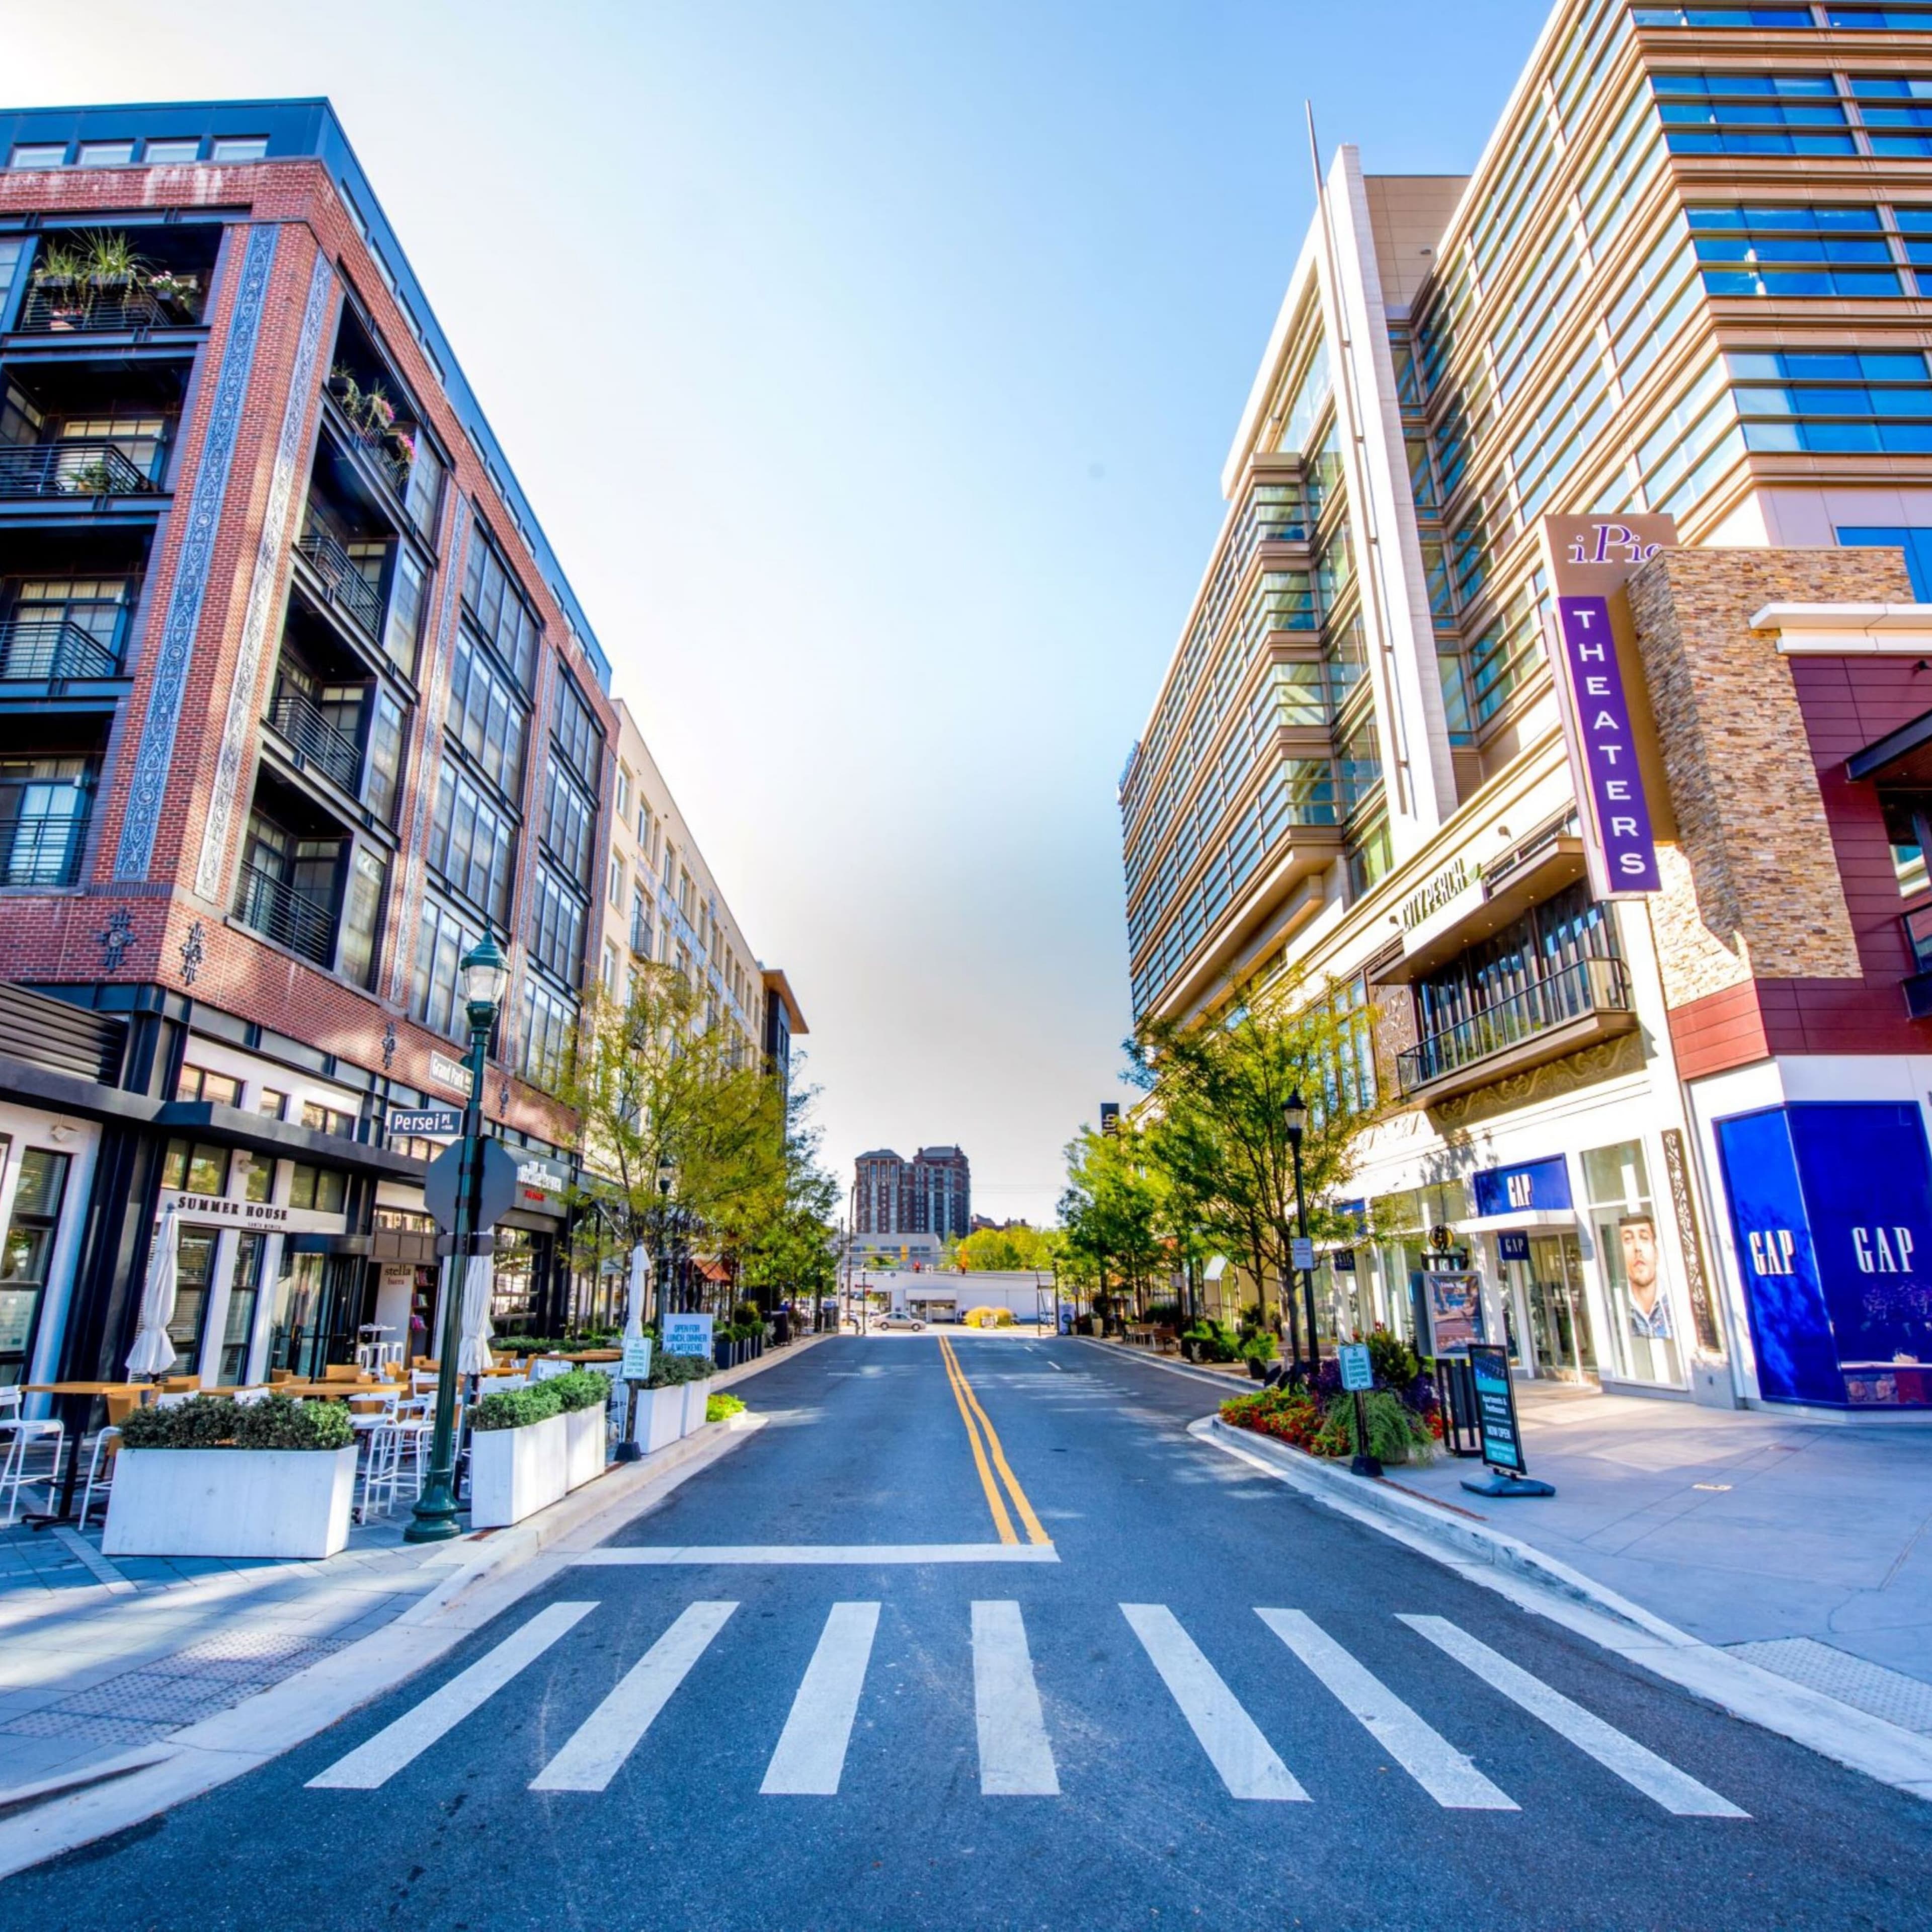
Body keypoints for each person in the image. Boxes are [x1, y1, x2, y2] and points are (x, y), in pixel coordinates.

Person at [1620, 1216, 1672, 1339]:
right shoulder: (1622, 1304)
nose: (1637, 1249)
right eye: (1628, 1240)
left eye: (1644, 1238)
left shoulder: (1674, 1299)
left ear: (1656, 1253)